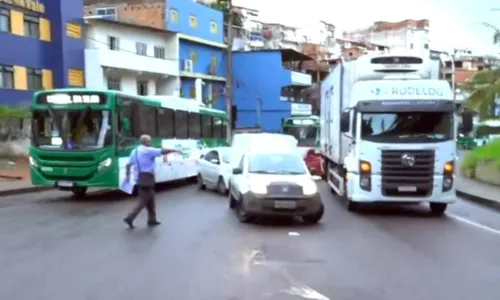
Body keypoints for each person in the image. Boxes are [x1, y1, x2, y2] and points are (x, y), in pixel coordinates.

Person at [123, 134, 180, 229]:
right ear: (147, 142)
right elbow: (162, 151)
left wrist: (128, 176)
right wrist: (174, 150)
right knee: (143, 201)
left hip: (139, 178)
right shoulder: (147, 150)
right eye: (150, 141)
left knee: (151, 199)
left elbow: (128, 165)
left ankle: (152, 220)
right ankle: (130, 217)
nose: (151, 142)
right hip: (147, 178)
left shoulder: (134, 151)